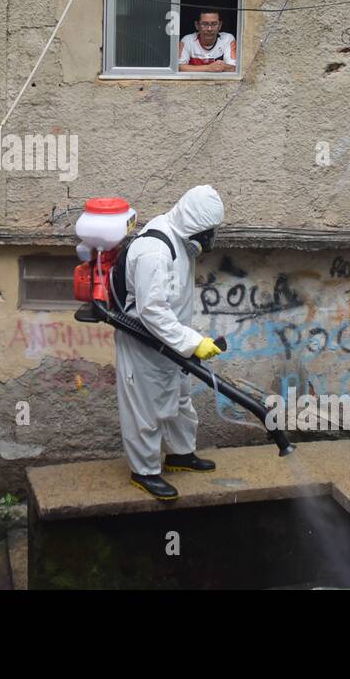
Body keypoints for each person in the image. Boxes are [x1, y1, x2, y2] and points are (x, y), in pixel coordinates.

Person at [114, 185, 225, 500]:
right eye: (207, 232)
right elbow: (152, 311)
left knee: (179, 399)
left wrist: (186, 343)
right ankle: (145, 472)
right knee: (144, 410)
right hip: (143, 344)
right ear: (193, 222)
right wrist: (193, 342)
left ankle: (181, 454)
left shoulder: (181, 242)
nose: (209, 239)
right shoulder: (156, 250)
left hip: (170, 342)